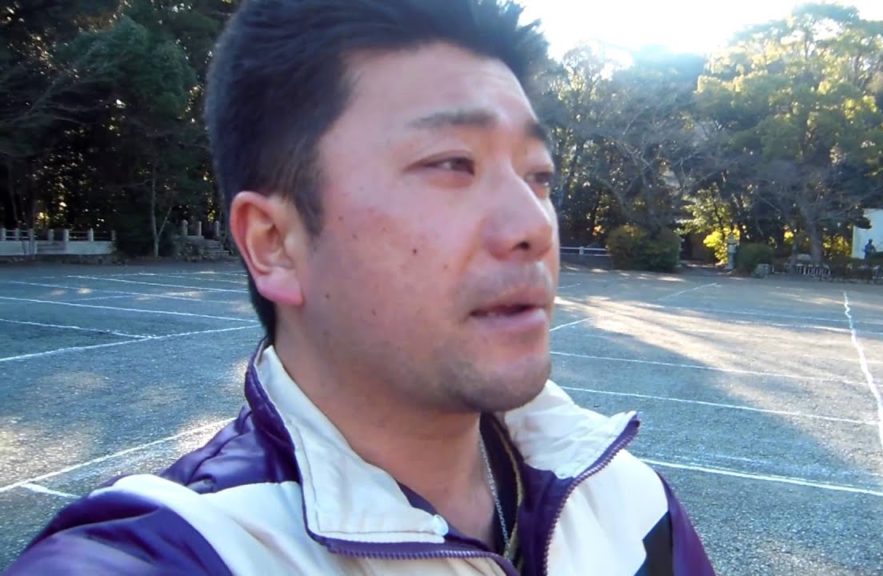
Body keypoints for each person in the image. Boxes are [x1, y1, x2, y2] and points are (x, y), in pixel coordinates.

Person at [4, 1, 714, 574]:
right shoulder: (194, 549)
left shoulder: (628, 506)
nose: (533, 224)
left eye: (538, 176)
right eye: (451, 163)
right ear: (274, 244)